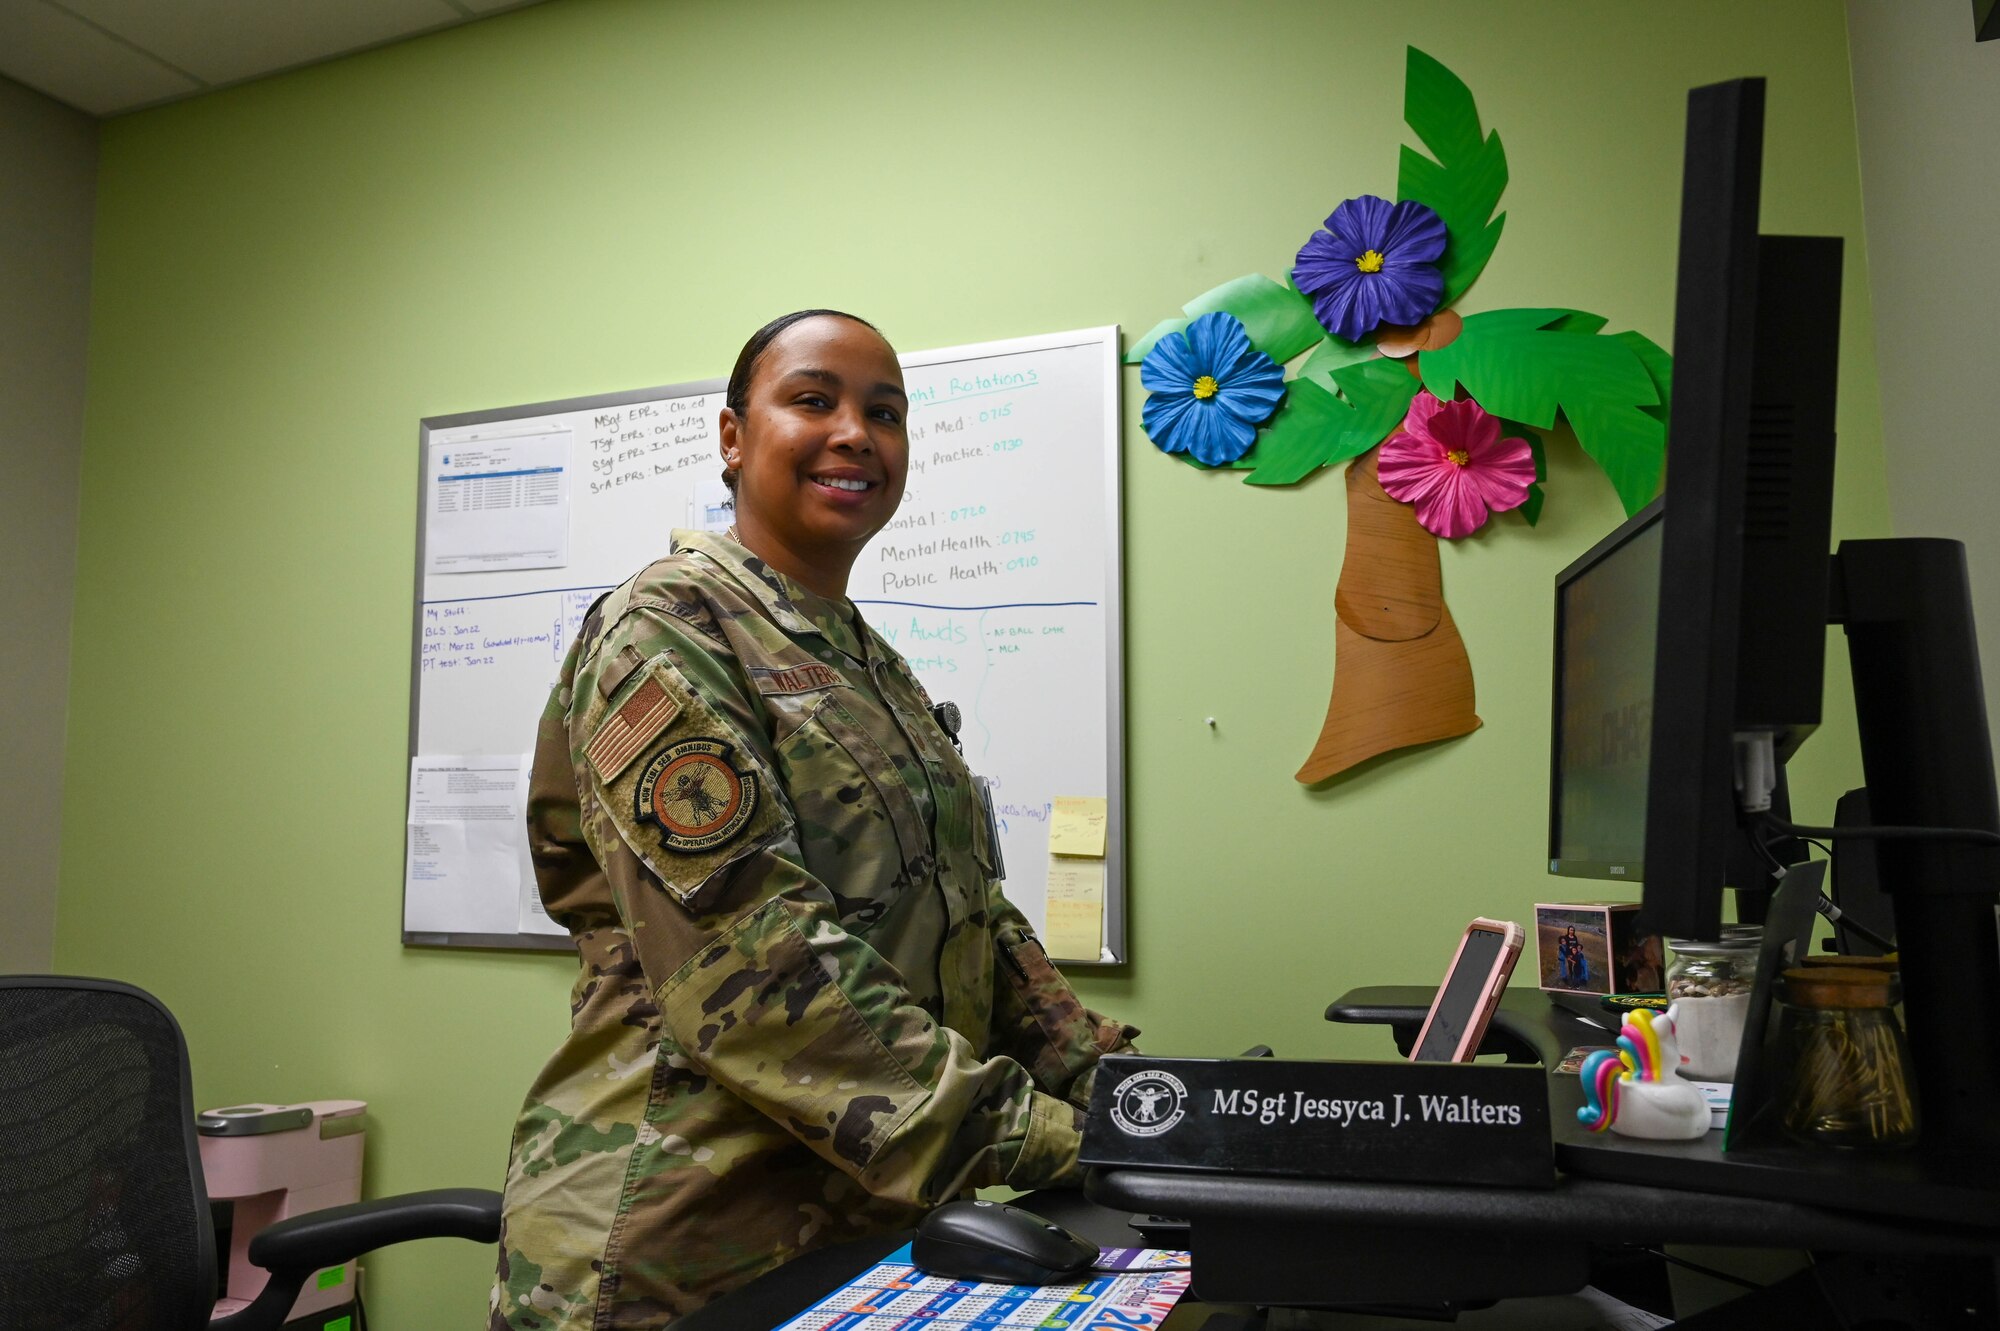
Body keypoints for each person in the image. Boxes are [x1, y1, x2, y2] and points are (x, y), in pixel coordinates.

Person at [489, 310, 1137, 1329]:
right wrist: (1047, 1135)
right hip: (681, 1247)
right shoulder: (663, 628)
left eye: (884, 412)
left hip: (861, 1231)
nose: (854, 433)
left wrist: (1131, 1092)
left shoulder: (870, 664)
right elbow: (758, 964)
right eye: (811, 399)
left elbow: (980, 926)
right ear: (732, 437)